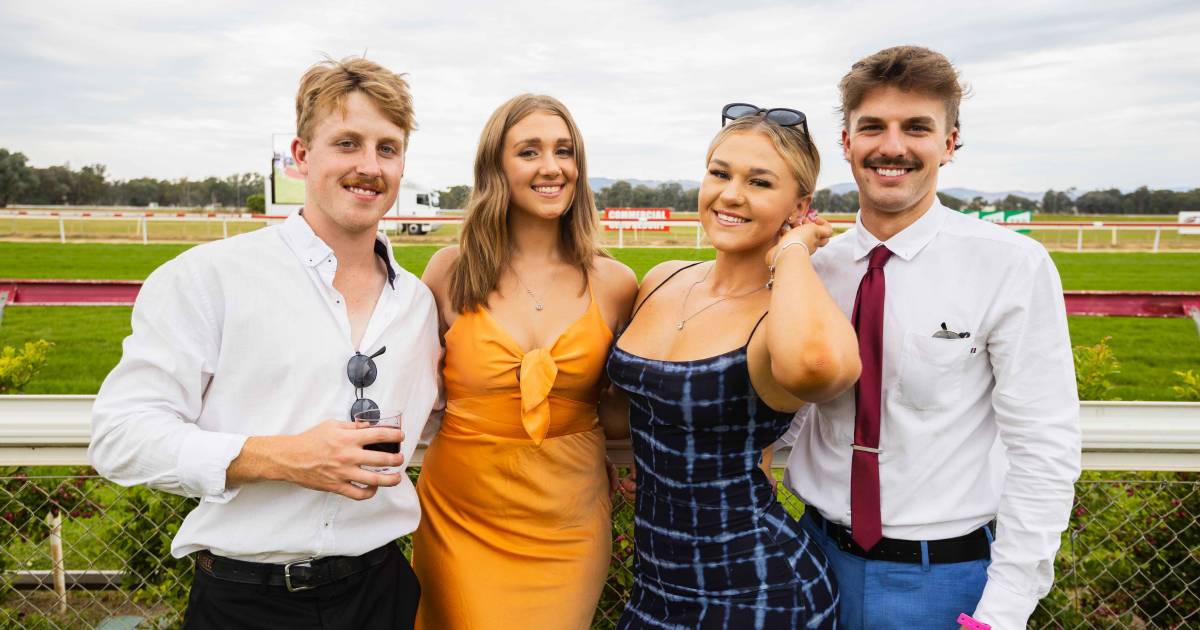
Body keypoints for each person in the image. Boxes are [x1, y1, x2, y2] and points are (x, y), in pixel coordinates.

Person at [89, 57, 440, 630]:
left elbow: (442, 418)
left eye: (387, 148)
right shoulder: (207, 276)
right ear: (302, 156)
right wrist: (281, 458)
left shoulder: (419, 304)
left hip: (383, 593)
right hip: (245, 602)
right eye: (347, 143)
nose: (368, 166)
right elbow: (120, 436)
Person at [778, 45, 1081, 630]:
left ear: (949, 143)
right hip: (809, 561)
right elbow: (785, 412)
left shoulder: (1011, 265)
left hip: (945, 579)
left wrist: (1006, 608)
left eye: (916, 127)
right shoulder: (812, 270)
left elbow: (1043, 446)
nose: (892, 146)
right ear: (847, 142)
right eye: (872, 127)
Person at [607, 104, 861, 629]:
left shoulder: (784, 310)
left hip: (759, 590)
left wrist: (793, 250)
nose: (730, 194)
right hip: (655, 584)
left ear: (800, 205)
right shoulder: (662, 277)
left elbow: (816, 367)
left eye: (760, 182)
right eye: (719, 173)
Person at [412, 93, 639, 630]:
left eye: (564, 150)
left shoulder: (615, 284)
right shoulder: (449, 271)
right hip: (459, 516)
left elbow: (628, 403)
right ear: (497, 165)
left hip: (570, 519)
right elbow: (405, 389)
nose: (551, 167)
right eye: (529, 151)